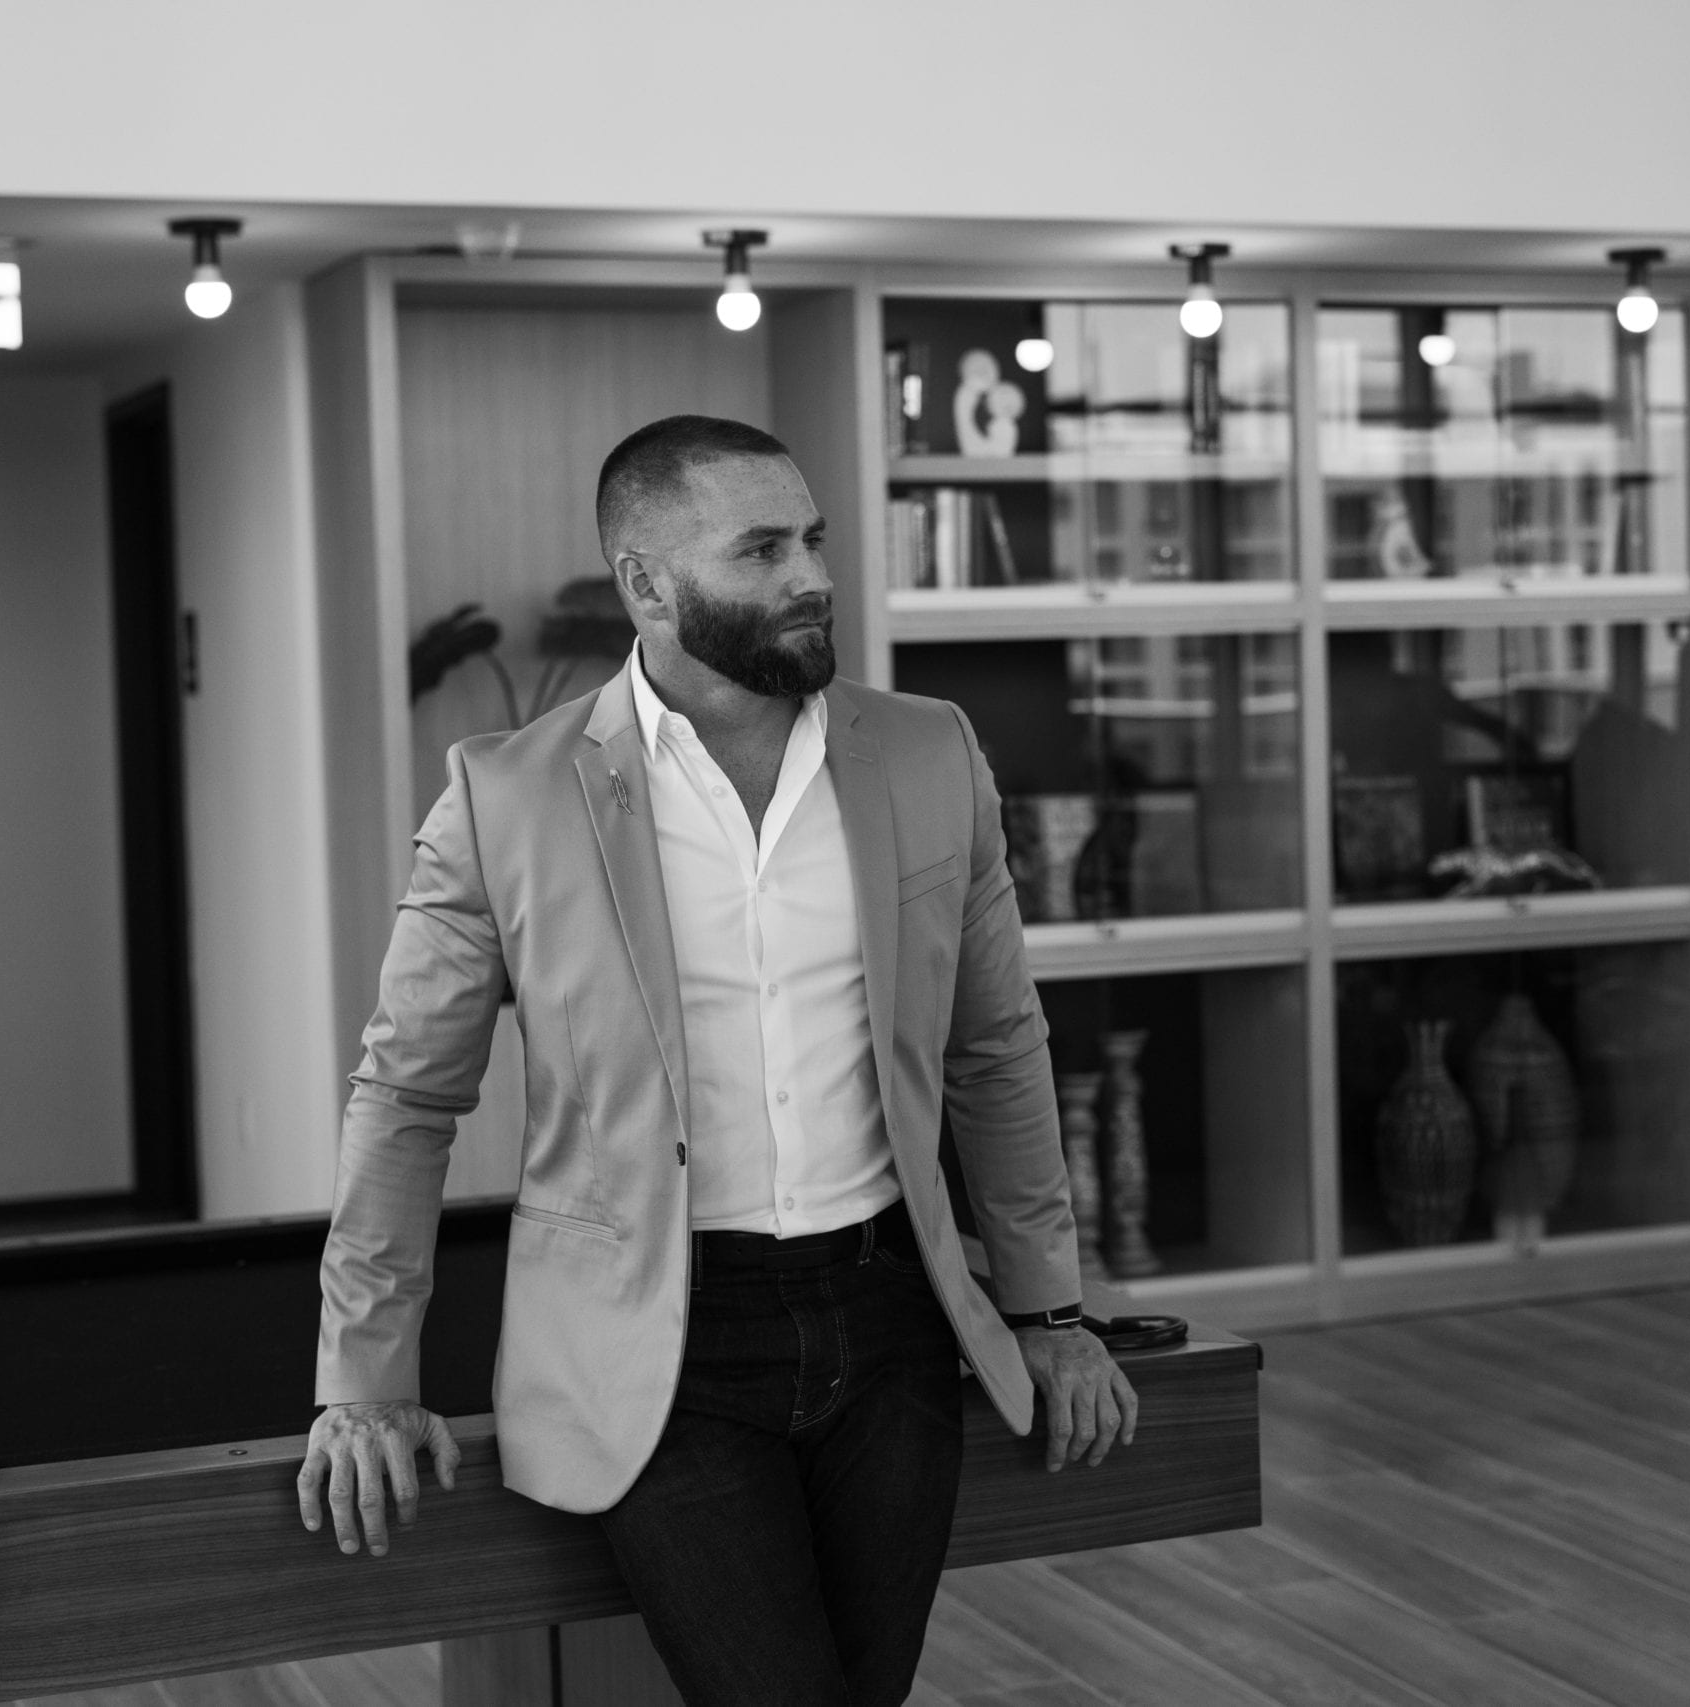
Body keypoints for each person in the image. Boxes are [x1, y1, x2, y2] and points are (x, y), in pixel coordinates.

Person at [296, 414, 1136, 1706]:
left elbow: (996, 1047)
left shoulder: (928, 751)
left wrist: (1051, 1313)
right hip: (661, 1347)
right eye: (761, 549)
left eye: (812, 538)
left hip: (892, 1323)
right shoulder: (505, 795)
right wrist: (363, 1384)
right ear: (647, 585)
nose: (811, 574)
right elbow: (407, 1098)